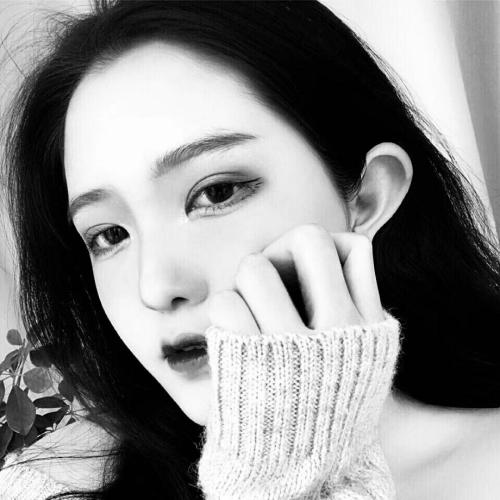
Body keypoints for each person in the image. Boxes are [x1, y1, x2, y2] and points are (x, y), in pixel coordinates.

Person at [1, 1, 500, 498]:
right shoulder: (45, 487)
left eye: (216, 193)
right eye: (109, 235)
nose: (155, 287)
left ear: (367, 195)